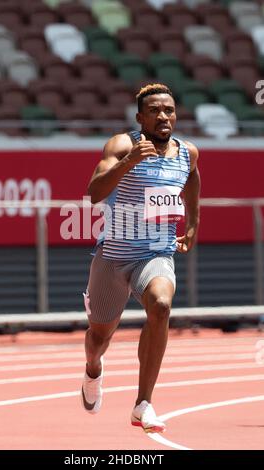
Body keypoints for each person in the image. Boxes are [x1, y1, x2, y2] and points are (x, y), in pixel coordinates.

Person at [81, 83, 200, 433]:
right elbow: (94, 193)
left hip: (156, 253)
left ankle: (142, 404)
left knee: (161, 305)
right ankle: (93, 369)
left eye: (169, 110)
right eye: (154, 111)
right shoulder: (122, 145)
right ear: (140, 117)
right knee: (99, 336)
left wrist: (194, 223)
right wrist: (131, 161)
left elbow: (191, 179)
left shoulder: (187, 152)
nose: (163, 116)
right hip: (113, 257)